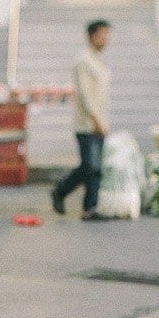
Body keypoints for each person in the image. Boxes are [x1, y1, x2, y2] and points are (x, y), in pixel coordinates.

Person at [51, 20, 112, 220]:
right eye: (102, 35)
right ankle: (60, 190)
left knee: (96, 168)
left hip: (100, 121)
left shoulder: (99, 61)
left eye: (107, 35)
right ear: (91, 36)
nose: (106, 39)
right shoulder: (83, 61)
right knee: (89, 166)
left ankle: (90, 208)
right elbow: (85, 95)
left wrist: (103, 121)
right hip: (87, 124)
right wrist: (96, 119)